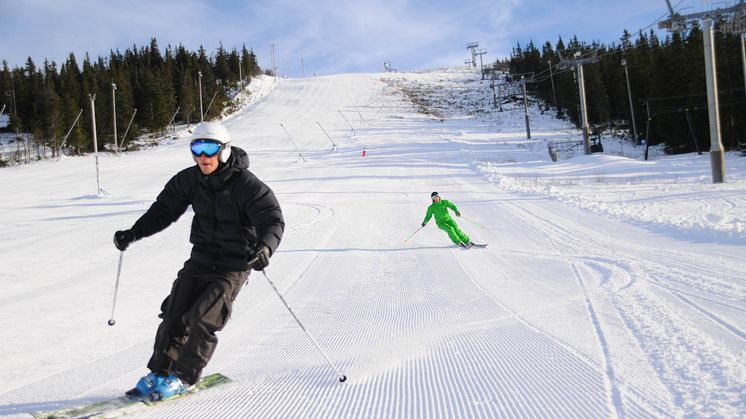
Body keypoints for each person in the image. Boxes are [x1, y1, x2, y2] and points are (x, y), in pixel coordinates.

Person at [113, 121, 284, 401]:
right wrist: (134, 233)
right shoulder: (189, 180)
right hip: (201, 258)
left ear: (225, 150)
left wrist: (265, 247)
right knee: (173, 313)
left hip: (233, 264)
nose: (203, 157)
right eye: (197, 149)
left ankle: (185, 377)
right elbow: (163, 210)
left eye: (210, 149)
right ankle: (161, 371)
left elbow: (272, 219)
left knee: (203, 317)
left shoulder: (247, 185)